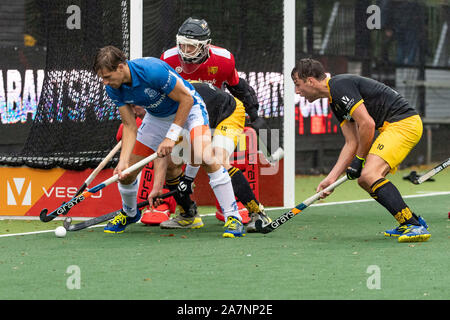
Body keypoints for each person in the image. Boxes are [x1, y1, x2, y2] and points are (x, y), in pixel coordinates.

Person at [93, 45, 245, 238]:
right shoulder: (114, 89)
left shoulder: (152, 71)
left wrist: (171, 136)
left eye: (108, 77)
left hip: (190, 109)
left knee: (204, 155)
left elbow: (187, 100)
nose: (105, 82)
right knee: (128, 173)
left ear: (121, 67)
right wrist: (123, 162)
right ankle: (130, 213)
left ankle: (233, 217)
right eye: (102, 78)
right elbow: (130, 126)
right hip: (157, 117)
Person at [291, 58, 430, 243]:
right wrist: (331, 178)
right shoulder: (335, 100)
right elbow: (351, 142)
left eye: (297, 84)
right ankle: (410, 220)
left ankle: (414, 225)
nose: (296, 91)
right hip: (393, 127)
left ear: (310, 80)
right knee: (365, 181)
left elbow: (367, 123)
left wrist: (359, 160)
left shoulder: (339, 86)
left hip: (403, 124)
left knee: (368, 175)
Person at [156, 81, 272, 232]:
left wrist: (188, 178)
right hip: (208, 114)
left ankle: (258, 213)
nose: (136, 111)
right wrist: (157, 188)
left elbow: (197, 149)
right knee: (172, 164)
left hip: (229, 112)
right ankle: (188, 215)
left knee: (218, 159)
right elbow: (162, 154)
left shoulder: (182, 105)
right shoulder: (157, 108)